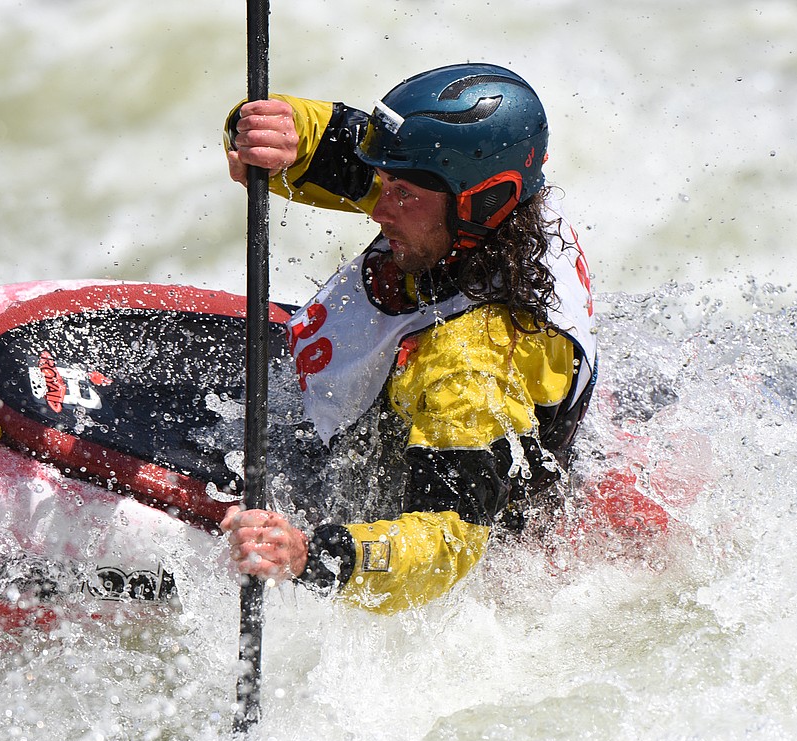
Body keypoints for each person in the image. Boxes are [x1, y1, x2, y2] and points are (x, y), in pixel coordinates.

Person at [219, 63, 597, 614]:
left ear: (481, 202)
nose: (379, 207)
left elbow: (450, 543)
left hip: (456, 496)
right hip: (405, 404)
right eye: (387, 184)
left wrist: (307, 555)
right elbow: (352, 153)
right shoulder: (491, 208)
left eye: (404, 195)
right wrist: (279, 132)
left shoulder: (473, 366)